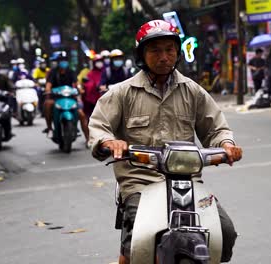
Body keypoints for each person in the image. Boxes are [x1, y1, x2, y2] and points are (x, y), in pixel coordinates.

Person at [88, 20, 243, 264]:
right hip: (140, 182)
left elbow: (216, 128)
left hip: (188, 182)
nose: (164, 57)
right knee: (136, 245)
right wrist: (110, 142)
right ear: (142, 55)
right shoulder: (122, 93)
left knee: (224, 233)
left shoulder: (192, 91)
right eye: (155, 50)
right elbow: (99, 127)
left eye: (170, 50)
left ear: (178, 53)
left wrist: (226, 145)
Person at [42, 51, 90, 147]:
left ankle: (88, 139)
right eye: (61, 60)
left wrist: (80, 89)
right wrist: (48, 90)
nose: (64, 62)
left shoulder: (71, 71)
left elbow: (77, 84)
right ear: (58, 62)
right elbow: (48, 85)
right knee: (47, 104)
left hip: (70, 98)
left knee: (82, 114)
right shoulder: (53, 72)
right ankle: (50, 128)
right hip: (56, 98)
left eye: (65, 60)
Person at [82, 54, 103, 119]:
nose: (99, 63)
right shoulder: (90, 74)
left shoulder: (106, 72)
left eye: (101, 61)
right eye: (97, 61)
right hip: (94, 100)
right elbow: (87, 84)